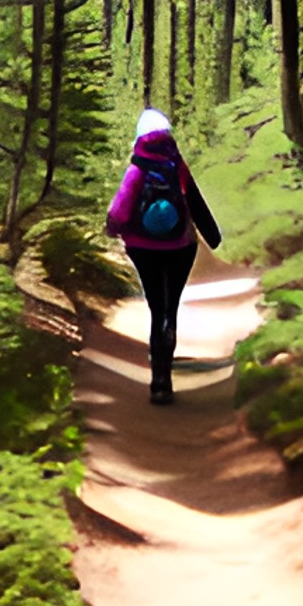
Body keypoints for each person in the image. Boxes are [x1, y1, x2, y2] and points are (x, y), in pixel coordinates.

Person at [106, 107, 222, 405]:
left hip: (143, 249)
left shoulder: (137, 168)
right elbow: (195, 202)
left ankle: (158, 380)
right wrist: (213, 236)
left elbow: (120, 210)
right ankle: (165, 377)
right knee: (171, 308)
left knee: (156, 307)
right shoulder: (177, 166)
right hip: (181, 247)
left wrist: (112, 230)